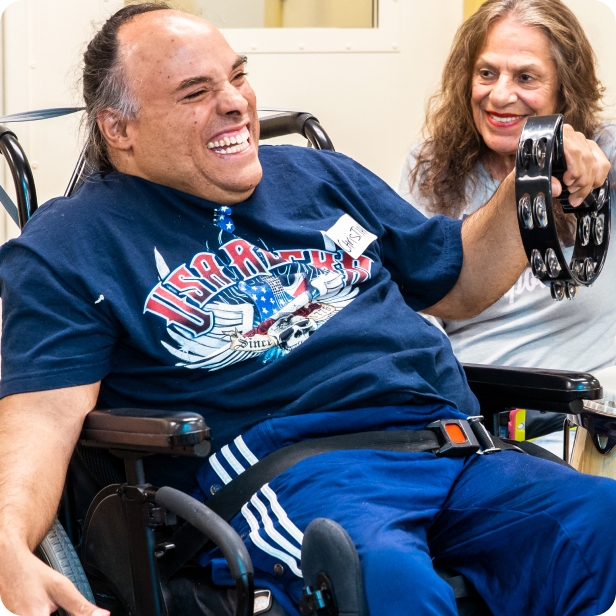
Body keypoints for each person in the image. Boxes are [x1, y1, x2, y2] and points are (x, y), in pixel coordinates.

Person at [0, 3, 613, 616]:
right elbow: (39, 421)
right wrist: (8, 543)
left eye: (237, 77)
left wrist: (534, 162)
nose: (237, 103)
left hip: (451, 446)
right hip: (295, 470)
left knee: (600, 522)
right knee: (390, 582)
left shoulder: (320, 177)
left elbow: (460, 280)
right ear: (118, 128)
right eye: (195, 91)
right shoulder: (71, 246)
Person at [399, 0, 616, 440]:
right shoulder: (431, 166)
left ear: (563, 90)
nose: (499, 95)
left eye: (526, 77)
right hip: (475, 417)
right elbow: (416, 314)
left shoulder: (607, 152)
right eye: (486, 73)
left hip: (584, 418)